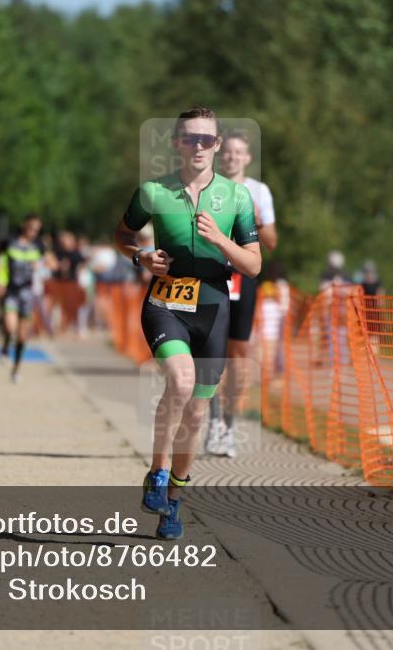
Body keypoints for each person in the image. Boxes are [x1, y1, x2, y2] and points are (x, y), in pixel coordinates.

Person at [114, 106, 261, 540]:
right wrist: (140, 256)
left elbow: (253, 265)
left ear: (217, 146)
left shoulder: (236, 198)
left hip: (214, 306)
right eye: (190, 138)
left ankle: (173, 503)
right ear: (176, 143)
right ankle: (157, 475)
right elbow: (122, 235)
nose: (198, 146)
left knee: (197, 414)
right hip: (166, 300)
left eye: (206, 139)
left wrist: (220, 239)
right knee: (179, 382)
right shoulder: (153, 191)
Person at [205, 131, 278, 457]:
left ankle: (229, 428)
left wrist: (259, 224)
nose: (233, 156)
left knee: (237, 354)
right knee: (210, 354)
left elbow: (272, 243)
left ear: (248, 158)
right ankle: (213, 422)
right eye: (229, 152)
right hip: (212, 274)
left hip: (243, 277)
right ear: (222, 156)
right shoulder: (208, 185)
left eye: (239, 152)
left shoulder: (259, 191)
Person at [0, 214, 49, 383]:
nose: (33, 232)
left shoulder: (39, 245)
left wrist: (40, 264)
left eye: (36, 230)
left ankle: (16, 369)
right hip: (11, 291)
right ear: (24, 225)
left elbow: (52, 263)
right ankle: (4, 348)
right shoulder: (9, 242)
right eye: (31, 228)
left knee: (22, 335)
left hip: (28, 294)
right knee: (10, 327)